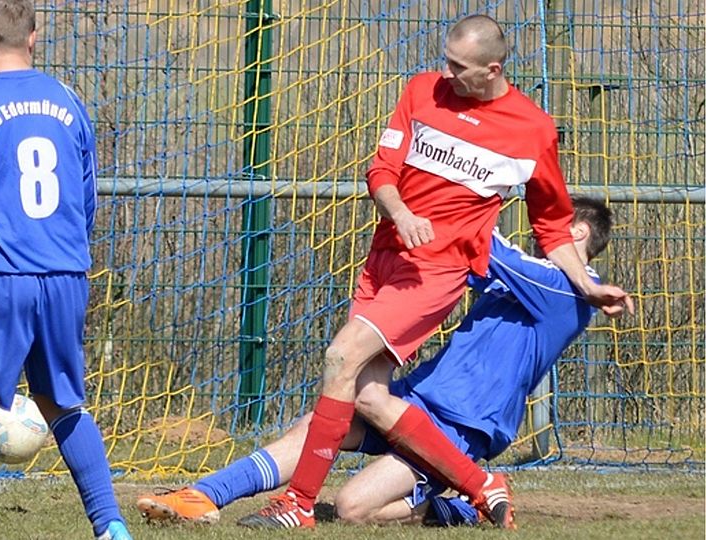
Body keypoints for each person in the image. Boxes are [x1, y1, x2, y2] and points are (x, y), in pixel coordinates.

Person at [215, 14, 633, 529]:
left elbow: (548, 226)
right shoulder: (422, 91)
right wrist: (402, 213)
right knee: (359, 398)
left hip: (440, 295)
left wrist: (587, 287)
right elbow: (381, 170)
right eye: (446, 61)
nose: (447, 74)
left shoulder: (533, 135)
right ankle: (205, 494)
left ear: (492, 69)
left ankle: (301, 503)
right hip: (390, 269)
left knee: (341, 362)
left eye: (459, 67)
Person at [136, 195, 615, 529]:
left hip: (462, 426)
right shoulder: (535, 279)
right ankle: (205, 494)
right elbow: (456, 263)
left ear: (577, 231)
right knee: (318, 424)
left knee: (353, 508)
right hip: (417, 398)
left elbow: (482, 242)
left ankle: (463, 506)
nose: (538, 228)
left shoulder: (570, 289)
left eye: (550, 221)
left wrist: (451, 191)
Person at [0, 2, 131, 539]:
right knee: (63, 402)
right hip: (64, 275)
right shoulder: (69, 101)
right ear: (33, 37)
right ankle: (111, 526)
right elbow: (86, 196)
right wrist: (67, 261)